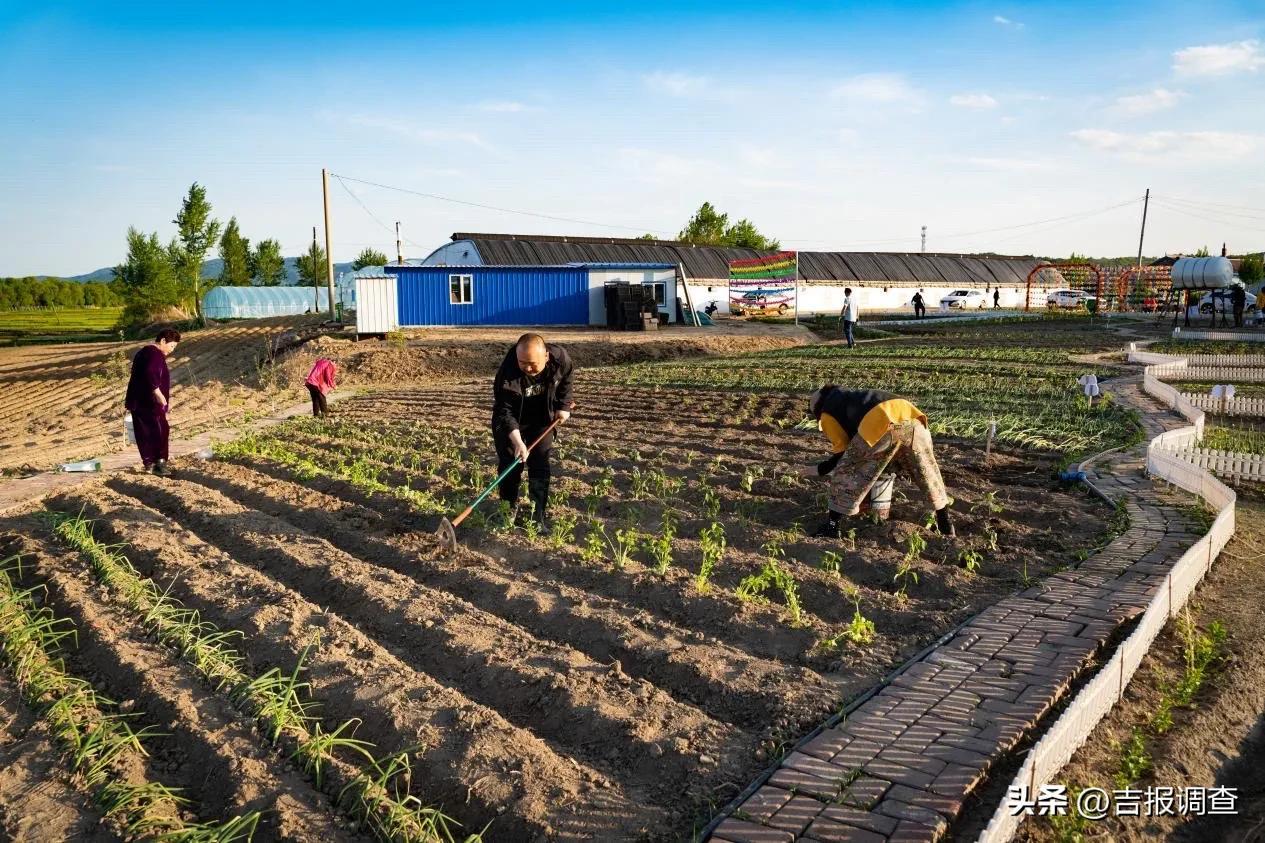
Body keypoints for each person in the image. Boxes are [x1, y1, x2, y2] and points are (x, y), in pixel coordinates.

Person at [801, 384, 954, 538]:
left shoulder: (827, 413)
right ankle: (945, 524)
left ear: (817, 410)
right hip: (914, 419)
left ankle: (832, 527)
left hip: (881, 424)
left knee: (847, 470)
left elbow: (842, 454)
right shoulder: (854, 395)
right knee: (927, 473)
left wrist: (820, 469)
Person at [491, 333, 575, 527]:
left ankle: (537, 514)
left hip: (542, 418)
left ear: (546, 356)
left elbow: (567, 381)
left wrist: (564, 406)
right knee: (510, 464)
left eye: (533, 364)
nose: (528, 368)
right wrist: (518, 441)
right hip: (513, 421)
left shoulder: (560, 359)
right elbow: (505, 411)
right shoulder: (507, 374)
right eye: (523, 363)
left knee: (540, 463)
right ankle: (508, 510)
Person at [125, 328, 180, 476]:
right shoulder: (155, 354)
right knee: (160, 430)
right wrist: (158, 393)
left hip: (138, 401)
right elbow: (151, 372)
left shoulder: (143, 352)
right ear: (163, 341)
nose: (172, 350)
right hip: (150, 402)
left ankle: (149, 464)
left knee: (144, 432)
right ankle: (160, 464)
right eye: (172, 346)